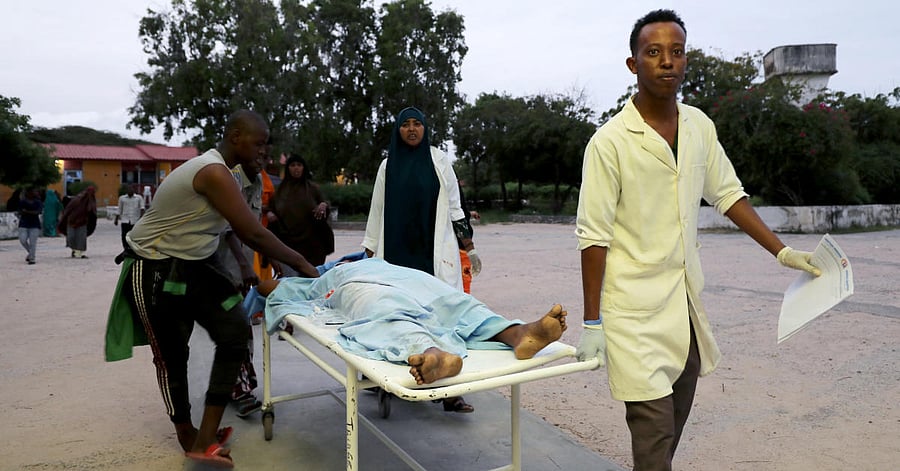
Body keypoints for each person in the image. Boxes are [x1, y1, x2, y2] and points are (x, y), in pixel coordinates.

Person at [573, 10, 823, 471]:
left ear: (686, 61)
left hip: (683, 311)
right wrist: (592, 323)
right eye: (654, 52)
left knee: (669, 434)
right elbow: (594, 237)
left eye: (677, 51)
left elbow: (728, 194)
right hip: (632, 315)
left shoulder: (699, 128)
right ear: (633, 65)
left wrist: (783, 251)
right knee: (654, 437)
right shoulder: (609, 143)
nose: (667, 61)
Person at [104, 110, 319, 469]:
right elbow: (252, 232)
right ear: (235, 137)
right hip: (154, 266)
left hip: (196, 264)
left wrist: (277, 259)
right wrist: (303, 265)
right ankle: (187, 432)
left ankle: (207, 437)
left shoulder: (235, 174)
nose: (264, 152)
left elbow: (245, 226)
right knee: (173, 355)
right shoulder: (213, 172)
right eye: (259, 143)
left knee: (234, 335)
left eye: (267, 145)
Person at [255, 257, 567, 385]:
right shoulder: (333, 275)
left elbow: (266, 287)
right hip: (384, 282)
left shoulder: (345, 270)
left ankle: (515, 335)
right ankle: (512, 334)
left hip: (382, 281)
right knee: (426, 305)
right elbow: (267, 287)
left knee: (420, 305)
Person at [362, 106, 482, 412]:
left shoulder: (439, 161)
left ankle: (450, 390)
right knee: (395, 314)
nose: (412, 129)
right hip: (397, 253)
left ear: (425, 128)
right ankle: (386, 380)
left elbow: (456, 206)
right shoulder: (387, 166)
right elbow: (376, 213)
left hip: (432, 251)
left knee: (441, 316)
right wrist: (368, 257)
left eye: (417, 124)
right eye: (406, 125)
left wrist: (468, 246)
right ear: (398, 130)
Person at [269, 154, 335, 269]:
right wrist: (270, 213)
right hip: (288, 243)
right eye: (292, 165)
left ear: (304, 168)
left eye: (299, 165)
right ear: (288, 168)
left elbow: (324, 203)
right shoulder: (279, 191)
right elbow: (271, 208)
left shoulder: (312, 188)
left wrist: (323, 205)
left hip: (312, 244)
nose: (296, 168)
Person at [58, 186, 97, 259]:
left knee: (81, 238)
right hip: (72, 221)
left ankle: (78, 253)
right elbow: (68, 209)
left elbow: (92, 211)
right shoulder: (77, 199)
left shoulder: (90, 200)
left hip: (83, 222)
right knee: (71, 237)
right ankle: (74, 250)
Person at [113, 185, 145, 250]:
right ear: (127, 190)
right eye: (129, 189)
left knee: (134, 236)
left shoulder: (138, 198)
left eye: (131, 189)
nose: (130, 190)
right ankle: (125, 248)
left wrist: (141, 219)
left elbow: (142, 208)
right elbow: (119, 209)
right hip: (125, 220)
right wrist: (116, 219)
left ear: (134, 190)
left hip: (135, 221)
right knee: (124, 235)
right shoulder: (122, 198)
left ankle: (134, 248)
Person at [17, 188, 43, 265]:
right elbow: (20, 211)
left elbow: (38, 212)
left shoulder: (38, 202)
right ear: (27, 193)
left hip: (34, 224)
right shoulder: (22, 202)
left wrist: (26, 211)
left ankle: (32, 258)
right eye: (32, 191)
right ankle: (31, 252)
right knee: (23, 240)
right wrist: (29, 212)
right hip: (23, 224)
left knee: (33, 243)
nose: (34, 193)